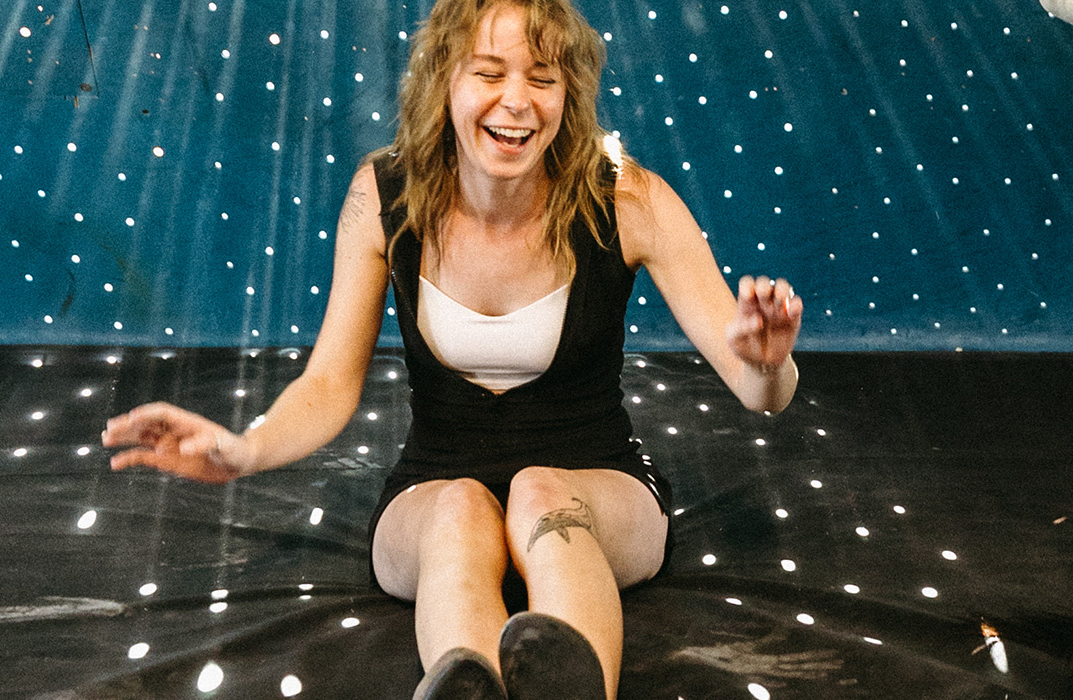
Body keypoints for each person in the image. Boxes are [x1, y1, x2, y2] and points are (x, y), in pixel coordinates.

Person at [100, 1, 802, 698]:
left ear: (571, 96)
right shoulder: (382, 196)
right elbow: (327, 385)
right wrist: (242, 452)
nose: (517, 102)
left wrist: (767, 361)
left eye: (544, 79)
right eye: (489, 73)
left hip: (599, 483)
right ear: (444, 82)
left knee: (538, 492)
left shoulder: (627, 198)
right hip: (436, 485)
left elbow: (758, 393)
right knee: (464, 509)